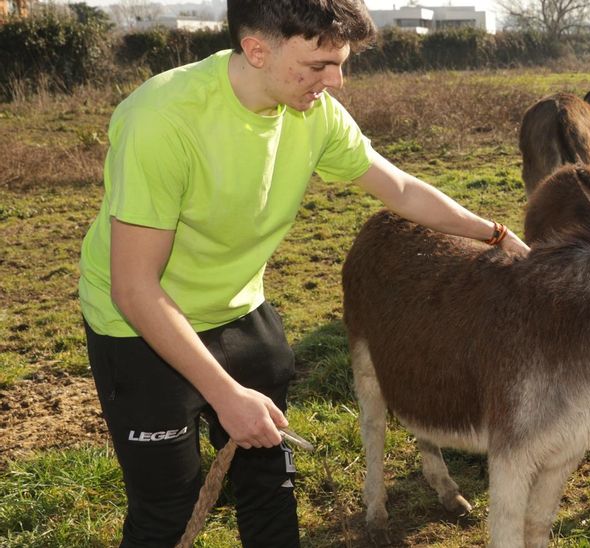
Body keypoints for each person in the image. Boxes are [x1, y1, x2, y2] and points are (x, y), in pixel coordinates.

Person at [77, 1, 529, 545]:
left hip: (238, 309)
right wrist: (226, 395)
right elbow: (134, 287)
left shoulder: (314, 114)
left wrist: (496, 235)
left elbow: (403, 190)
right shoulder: (162, 118)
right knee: (168, 506)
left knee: (271, 484)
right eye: (318, 66)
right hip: (139, 328)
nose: (335, 82)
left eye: (340, 64)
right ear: (256, 50)